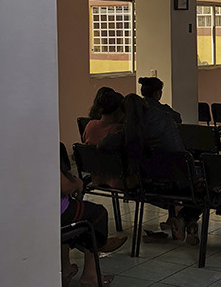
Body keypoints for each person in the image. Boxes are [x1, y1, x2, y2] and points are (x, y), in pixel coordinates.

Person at [98, 94, 200, 245]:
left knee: (199, 190)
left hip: (150, 184)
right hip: (180, 181)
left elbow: (102, 145)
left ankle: (184, 220)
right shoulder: (165, 119)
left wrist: (120, 129)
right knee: (204, 190)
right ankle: (185, 219)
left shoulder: (130, 131)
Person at [60, 143, 124, 287]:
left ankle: (65, 268)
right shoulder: (45, 150)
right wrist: (76, 184)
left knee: (77, 212)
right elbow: (65, 187)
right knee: (98, 214)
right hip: (59, 211)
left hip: (41, 212)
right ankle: (90, 275)